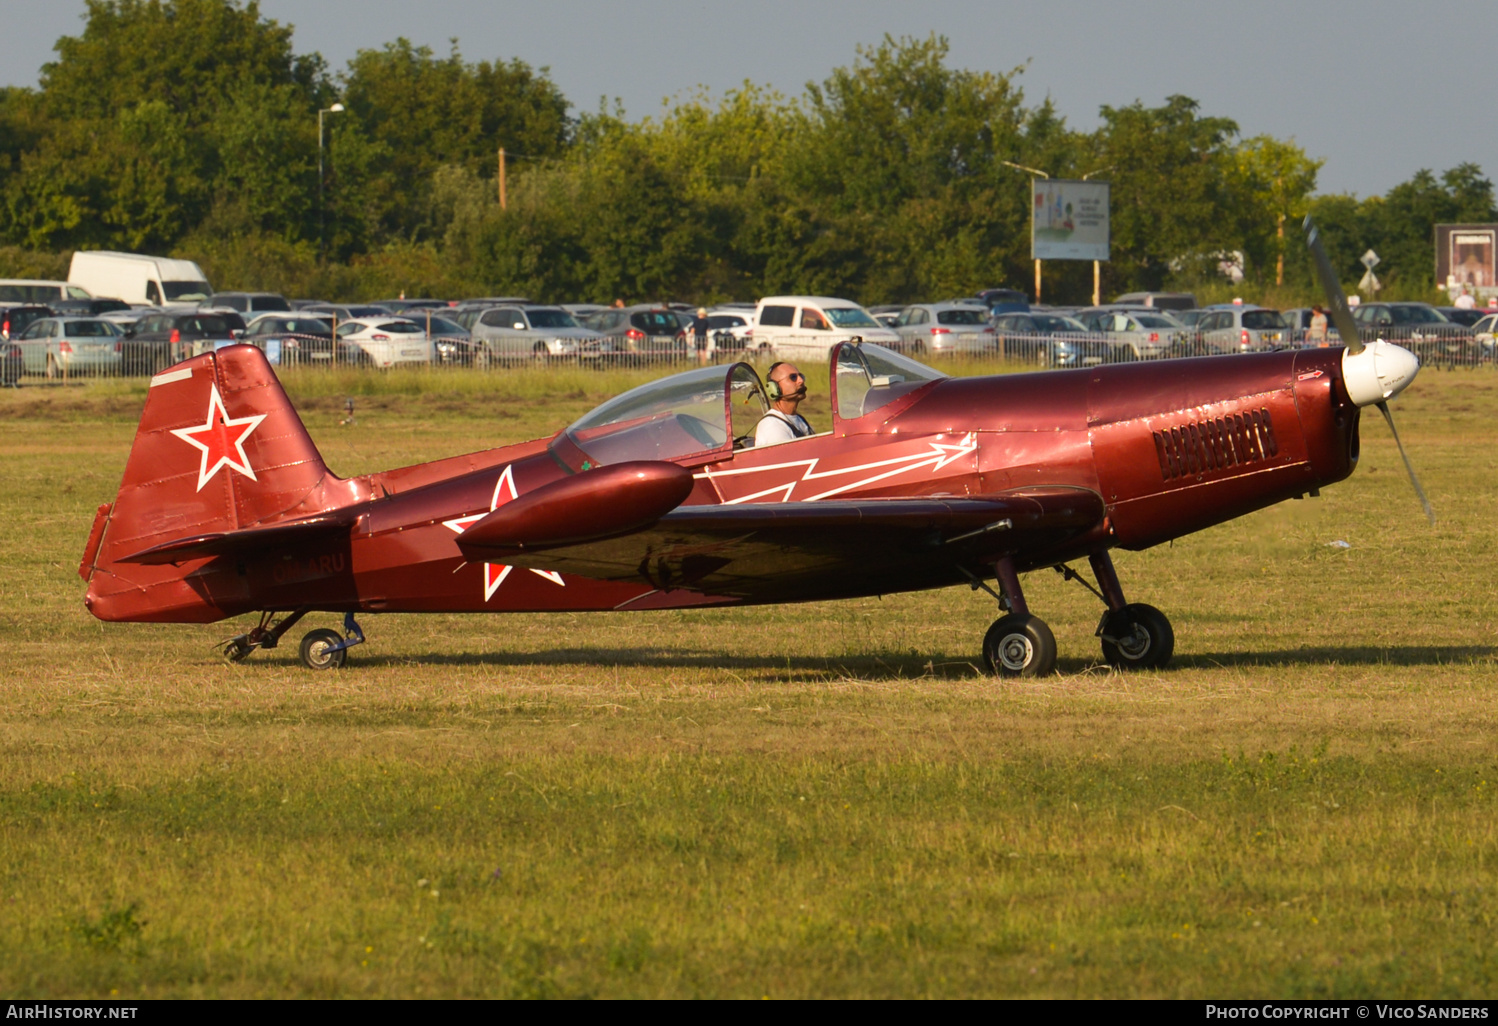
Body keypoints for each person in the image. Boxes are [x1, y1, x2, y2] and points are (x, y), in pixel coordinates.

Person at [753, 362, 814, 446]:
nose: (801, 380)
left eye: (801, 376)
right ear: (775, 388)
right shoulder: (772, 426)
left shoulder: (800, 420)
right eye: (793, 377)